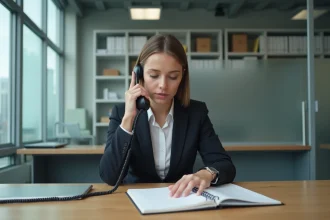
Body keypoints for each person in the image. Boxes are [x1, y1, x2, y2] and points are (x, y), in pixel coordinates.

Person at [99, 34, 236, 198]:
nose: (163, 85)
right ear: (139, 74)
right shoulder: (121, 113)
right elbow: (109, 176)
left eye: (173, 76)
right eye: (154, 75)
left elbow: (225, 165)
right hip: (134, 203)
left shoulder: (196, 113)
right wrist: (129, 118)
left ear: (182, 76)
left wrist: (206, 174)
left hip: (179, 201)